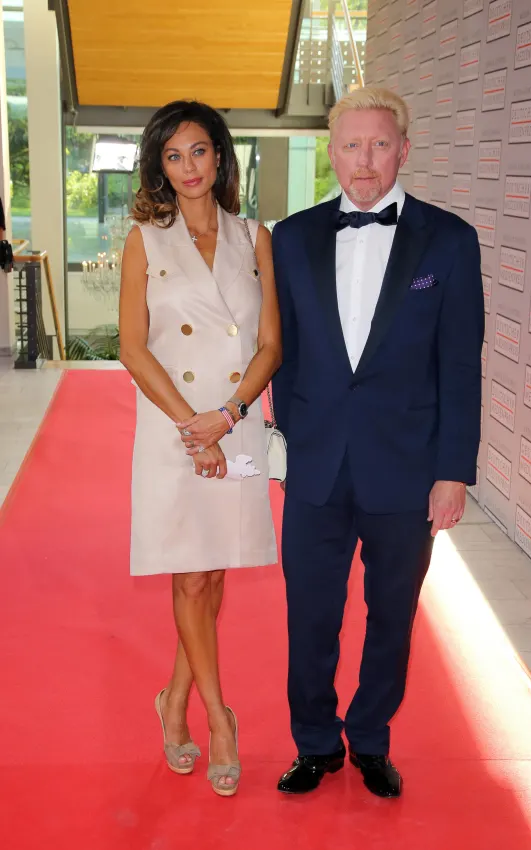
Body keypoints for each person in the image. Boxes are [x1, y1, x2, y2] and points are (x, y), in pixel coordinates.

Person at [272, 87, 484, 798]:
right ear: (331, 152)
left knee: (392, 616)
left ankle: (368, 738)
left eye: (380, 145)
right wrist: (292, 442)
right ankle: (314, 742)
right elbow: (285, 355)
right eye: (351, 145)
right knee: (310, 616)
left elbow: (459, 364)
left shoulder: (448, 240)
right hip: (317, 467)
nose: (365, 161)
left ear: (404, 150)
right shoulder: (291, 238)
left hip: (407, 468)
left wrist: (452, 471)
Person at [119, 100, 281, 797]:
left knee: (213, 575)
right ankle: (219, 718)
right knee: (189, 577)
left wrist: (228, 415)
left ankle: (173, 698)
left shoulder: (255, 237)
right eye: (173, 155)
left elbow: (269, 345)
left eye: (199, 151)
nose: (188, 167)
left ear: (221, 156)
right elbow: (133, 347)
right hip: (172, 428)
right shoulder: (144, 240)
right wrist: (194, 426)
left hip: (235, 424)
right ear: (160, 166)